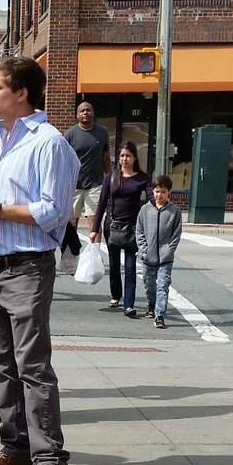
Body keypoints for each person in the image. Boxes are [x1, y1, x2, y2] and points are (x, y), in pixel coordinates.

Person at [0, 55, 79, 465]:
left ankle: (51, 462)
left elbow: (54, 211)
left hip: (27, 267)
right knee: (1, 366)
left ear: (22, 93)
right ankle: (15, 447)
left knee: (32, 367)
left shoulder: (49, 144)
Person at [90, 141, 151, 316]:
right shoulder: (111, 177)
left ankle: (129, 305)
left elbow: (151, 198)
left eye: (128, 156)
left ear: (134, 158)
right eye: (122, 155)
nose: (124, 159)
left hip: (132, 228)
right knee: (114, 265)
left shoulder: (143, 178)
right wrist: (95, 229)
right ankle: (116, 295)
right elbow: (102, 203)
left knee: (130, 268)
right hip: (112, 226)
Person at [136, 174, 183, 329]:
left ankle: (159, 315)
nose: (159, 195)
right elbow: (139, 231)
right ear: (152, 191)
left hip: (165, 258)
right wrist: (143, 250)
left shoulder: (174, 211)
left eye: (163, 192)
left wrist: (169, 250)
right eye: (157, 191)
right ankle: (151, 303)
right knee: (149, 284)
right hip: (148, 257)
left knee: (163, 285)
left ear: (169, 192)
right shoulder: (145, 210)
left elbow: (176, 234)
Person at [64, 101, 112, 229]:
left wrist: (110, 178)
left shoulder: (102, 132)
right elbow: (64, 161)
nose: (85, 113)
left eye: (88, 110)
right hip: (75, 185)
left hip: (95, 184)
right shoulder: (70, 134)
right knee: (71, 223)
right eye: (82, 111)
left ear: (93, 113)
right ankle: (72, 244)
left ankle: (95, 243)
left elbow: (105, 157)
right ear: (77, 115)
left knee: (95, 221)